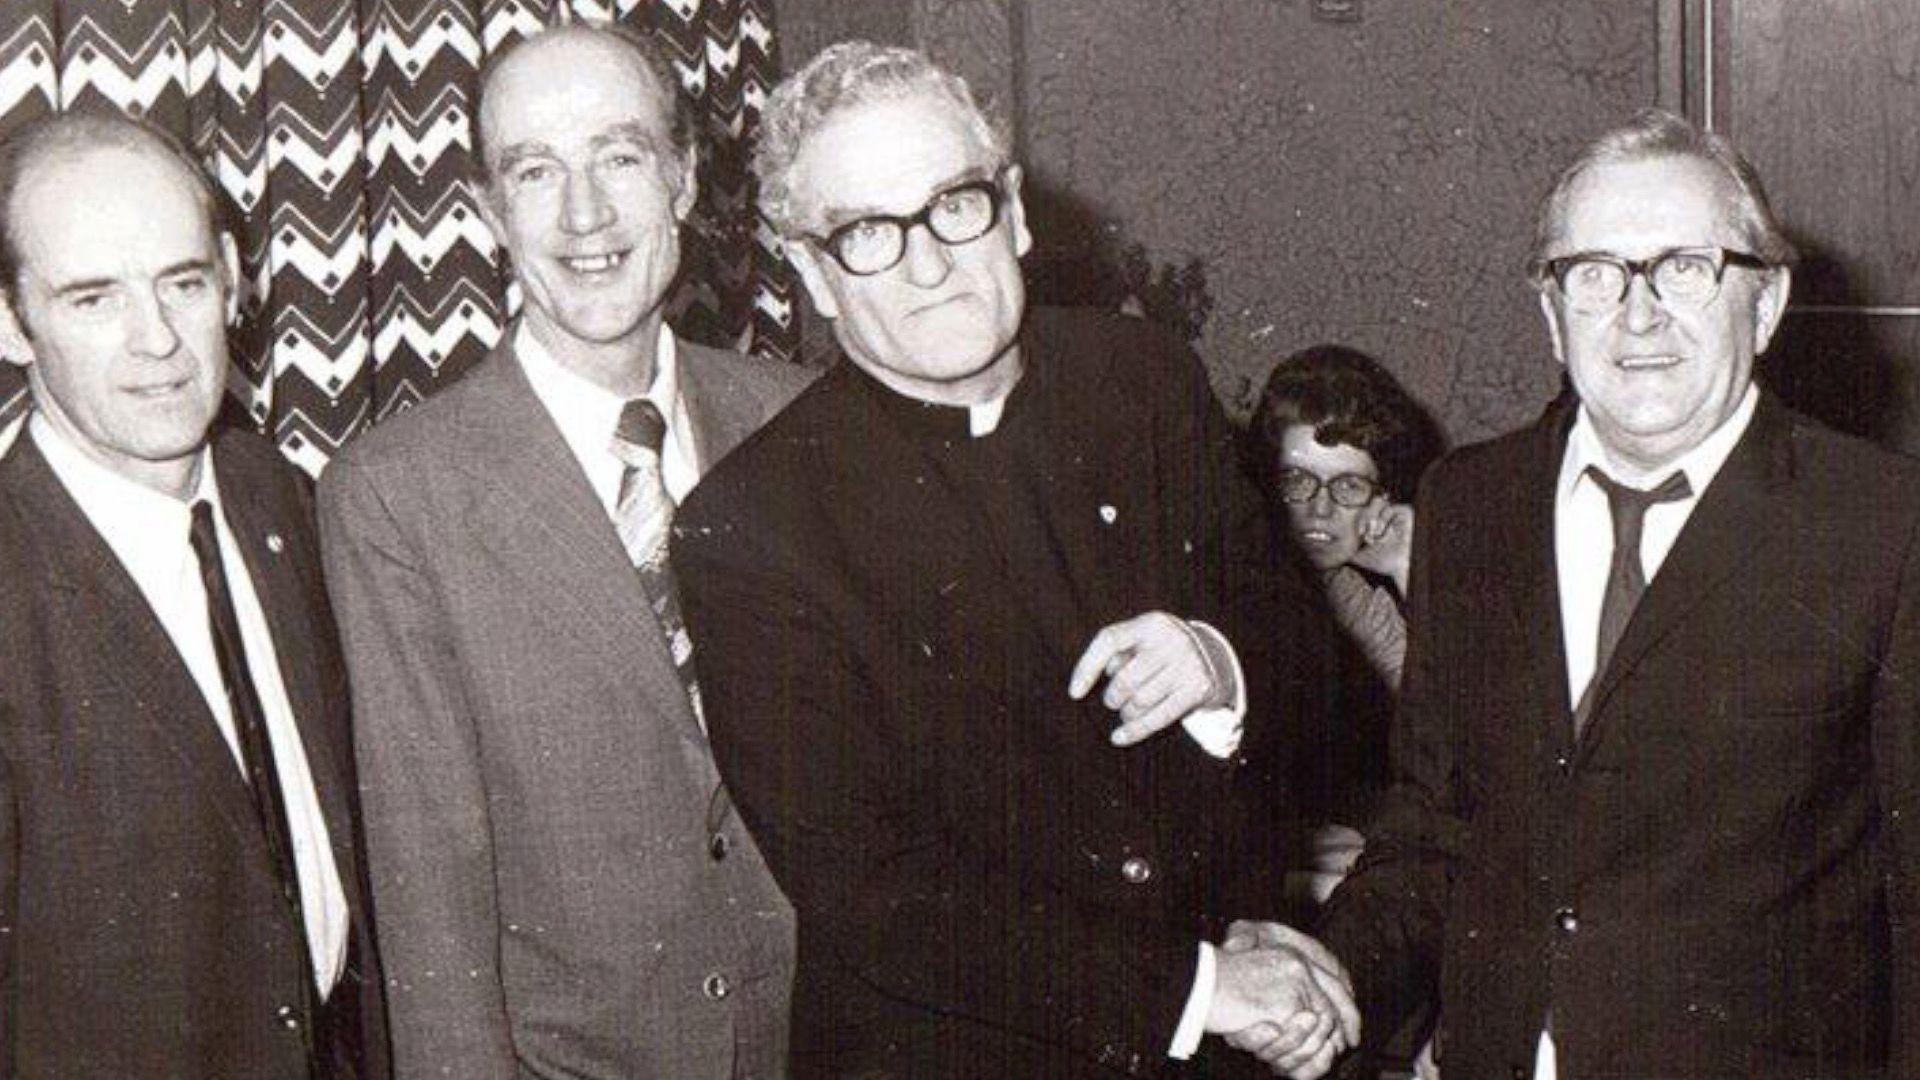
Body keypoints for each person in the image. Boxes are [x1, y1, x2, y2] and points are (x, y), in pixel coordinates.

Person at [674, 41, 1357, 1079]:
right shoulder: (753, 525)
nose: (929, 262)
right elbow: (879, 898)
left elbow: (1310, 662)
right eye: (867, 233)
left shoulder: (1144, 378)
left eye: (954, 204)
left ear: (1015, 209)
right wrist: (1202, 988)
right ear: (811, 270)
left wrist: (1219, 662)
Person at [1313, 108, 1920, 1079]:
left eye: (1684, 267)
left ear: (1763, 305)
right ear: (1551, 313)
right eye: (1595, 274)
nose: (1638, 317)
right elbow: (1435, 827)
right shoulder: (1469, 506)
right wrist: (1327, 977)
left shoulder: (1885, 525)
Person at [316, 22, 810, 1079]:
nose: (585, 215)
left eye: (620, 156)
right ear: (492, 212)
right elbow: (429, 892)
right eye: (535, 171)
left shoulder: (803, 423)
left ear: (682, 180)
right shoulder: (397, 495)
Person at [0, 109, 388, 1078]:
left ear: (231, 273)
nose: (159, 340)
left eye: (182, 282)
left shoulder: (284, 497)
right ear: (11, 322)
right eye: (93, 299)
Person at [1249, 346, 1441, 916]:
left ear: (1383, 499)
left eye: (1350, 488)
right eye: (1296, 481)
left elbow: (1449, 729)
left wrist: (1410, 569)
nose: (1318, 510)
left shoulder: (1352, 595)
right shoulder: (1232, 574)